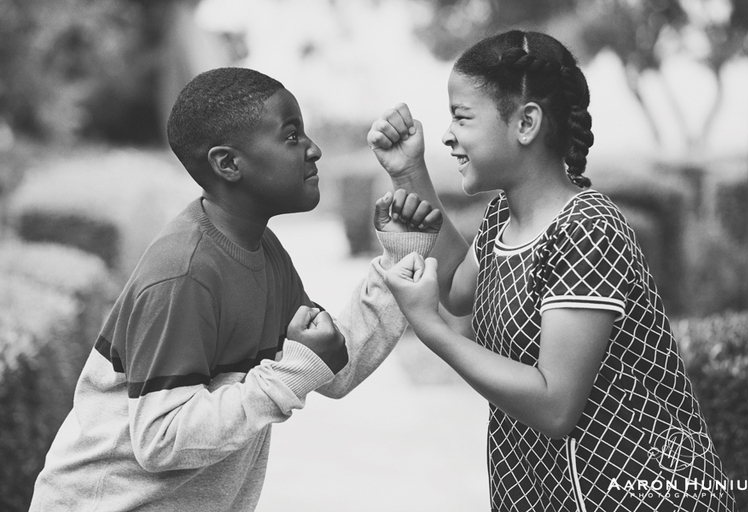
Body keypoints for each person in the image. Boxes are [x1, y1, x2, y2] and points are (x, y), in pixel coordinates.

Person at [29, 67, 441, 511]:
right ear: (228, 164)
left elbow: (332, 367)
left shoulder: (263, 252)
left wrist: (400, 257)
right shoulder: (183, 275)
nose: (314, 150)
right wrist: (288, 375)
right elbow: (160, 439)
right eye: (291, 136)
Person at [368, 29, 737, 512]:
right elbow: (460, 290)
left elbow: (554, 404)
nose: (447, 134)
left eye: (462, 117)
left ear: (526, 123)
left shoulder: (587, 231)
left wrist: (431, 331)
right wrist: (409, 173)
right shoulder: (505, 214)